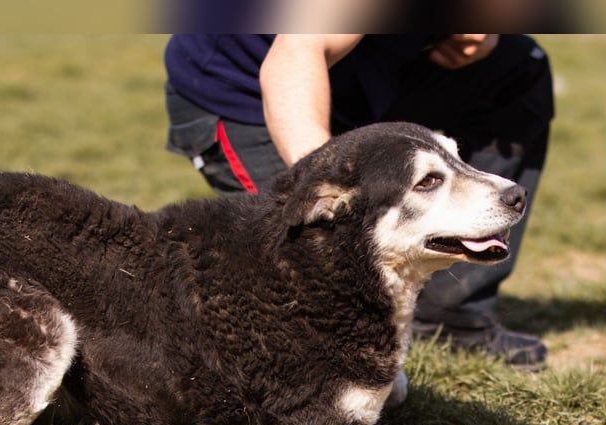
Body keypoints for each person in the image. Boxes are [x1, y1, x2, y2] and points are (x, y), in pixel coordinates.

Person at [164, 33, 554, 370]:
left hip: (371, 74)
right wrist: (340, 183)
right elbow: (296, 53)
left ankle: (455, 315)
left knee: (518, 68)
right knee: (313, 246)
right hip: (253, 84)